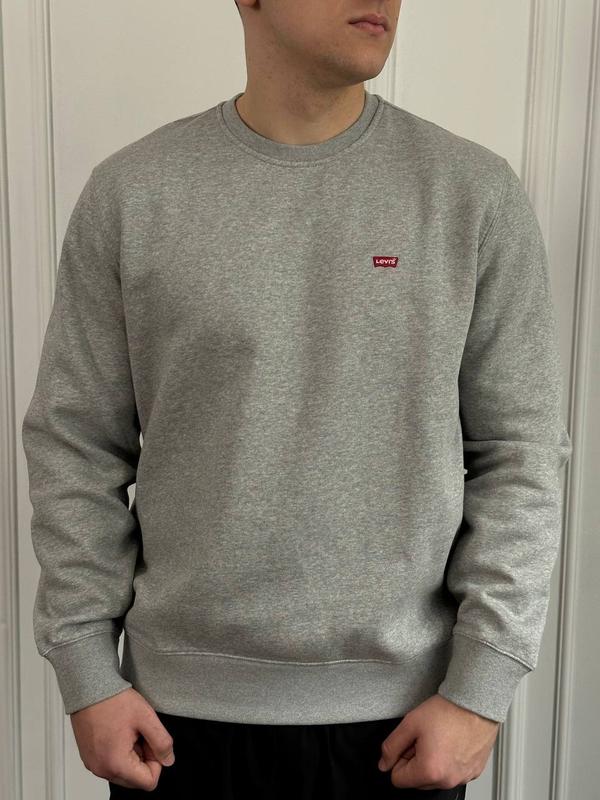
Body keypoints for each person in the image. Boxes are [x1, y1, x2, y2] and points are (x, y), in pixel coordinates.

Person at [21, 0, 572, 797]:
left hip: (408, 729)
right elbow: (75, 443)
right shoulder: (133, 194)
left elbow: (522, 454)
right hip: (175, 727)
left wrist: (482, 688)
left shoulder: (471, 194)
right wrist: (85, 670)